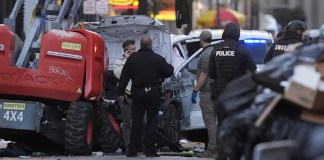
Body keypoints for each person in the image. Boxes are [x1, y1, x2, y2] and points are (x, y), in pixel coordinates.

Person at [117, 36, 174, 157]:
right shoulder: (157, 59)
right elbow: (169, 71)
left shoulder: (132, 59)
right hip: (153, 93)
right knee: (152, 120)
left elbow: (124, 77)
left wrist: (121, 92)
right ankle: (150, 149)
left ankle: (133, 150)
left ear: (141, 45)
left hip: (137, 93)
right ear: (151, 45)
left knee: (136, 120)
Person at [209, 22, 256, 117]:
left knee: (222, 121)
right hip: (238, 92)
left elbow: (211, 73)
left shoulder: (216, 48)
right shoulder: (243, 50)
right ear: (238, 34)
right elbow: (252, 71)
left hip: (220, 92)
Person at [191, 30, 217, 158]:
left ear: (201, 39)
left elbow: (204, 74)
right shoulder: (214, 50)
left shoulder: (206, 54)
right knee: (215, 121)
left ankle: (212, 149)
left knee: (210, 121)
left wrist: (195, 90)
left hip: (207, 92)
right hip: (215, 91)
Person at [113, 40, 136, 154]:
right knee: (127, 123)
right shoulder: (119, 62)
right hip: (125, 95)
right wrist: (127, 60)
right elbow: (119, 75)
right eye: (132, 50)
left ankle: (140, 145)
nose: (134, 51)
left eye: (135, 49)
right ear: (126, 51)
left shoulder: (138, 61)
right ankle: (128, 147)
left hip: (137, 95)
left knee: (143, 121)